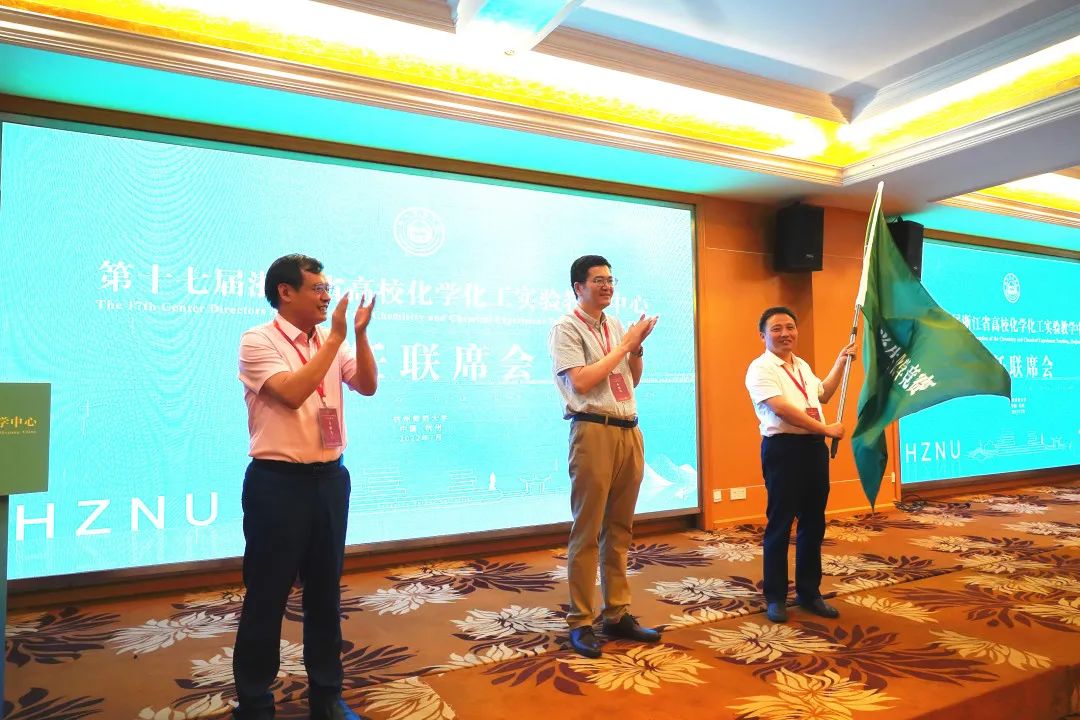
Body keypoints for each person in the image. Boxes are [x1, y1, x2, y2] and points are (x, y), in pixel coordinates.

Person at [234, 254, 377, 720]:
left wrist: (358, 336)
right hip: (278, 484)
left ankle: (327, 695)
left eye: (327, 288)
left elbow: (367, 385)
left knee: (324, 594)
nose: (326, 296)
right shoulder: (258, 340)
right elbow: (293, 393)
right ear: (285, 292)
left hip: (330, 480)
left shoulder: (330, 341)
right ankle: (255, 702)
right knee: (267, 595)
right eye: (317, 288)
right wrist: (335, 339)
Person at [548, 254, 660, 658]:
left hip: (629, 429)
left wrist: (636, 349)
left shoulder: (614, 325)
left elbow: (631, 380)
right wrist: (625, 345)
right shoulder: (566, 327)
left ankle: (617, 613)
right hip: (593, 429)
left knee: (620, 529)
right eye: (598, 280)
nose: (607, 286)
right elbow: (581, 382)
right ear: (578, 287)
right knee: (588, 530)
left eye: (611, 279)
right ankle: (580, 620)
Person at [745, 306, 855, 624]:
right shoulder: (761, 368)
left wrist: (840, 362)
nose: (785, 333)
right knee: (780, 524)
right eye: (776, 328)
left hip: (813, 449)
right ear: (763, 335)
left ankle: (809, 592)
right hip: (783, 449)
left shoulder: (802, 365)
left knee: (813, 522)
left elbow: (823, 395)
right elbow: (781, 409)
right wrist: (826, 429)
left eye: (790, 327)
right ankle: (776, 597)